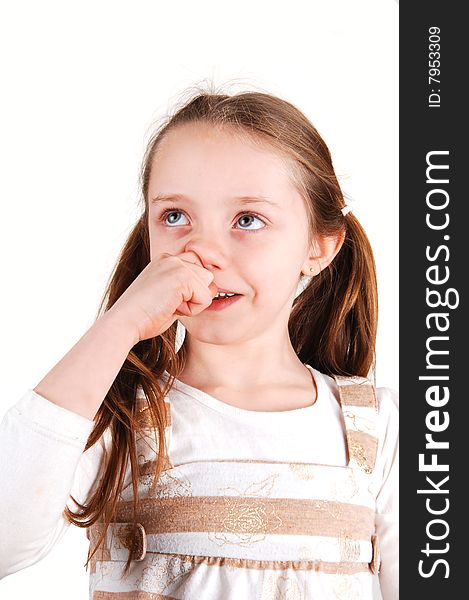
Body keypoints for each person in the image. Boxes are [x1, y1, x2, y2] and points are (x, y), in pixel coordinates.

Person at [0, 86, 399, 599]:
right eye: (174, 217)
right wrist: (118, 326)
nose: (204, 251)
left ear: (319, 247)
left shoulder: (380, 428)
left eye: (248, 220)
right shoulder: (115, 411)